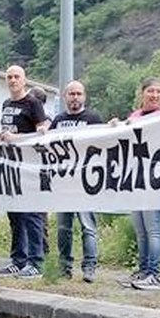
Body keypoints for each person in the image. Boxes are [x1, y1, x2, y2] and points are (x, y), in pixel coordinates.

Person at [0, 65, 49, 279]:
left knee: (32, 215)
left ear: (24, 80)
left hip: (29, 167)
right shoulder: (6, 104)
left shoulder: (33, 103)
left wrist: (16, 139)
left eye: (17, 77)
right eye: (9, 77)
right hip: (10, 166)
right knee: (14, 215)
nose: (13, 80)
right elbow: (9, 132)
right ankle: (18, 260)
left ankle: (36, 262)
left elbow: (41, 133)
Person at [115, 77, 160, 291]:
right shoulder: (134, 117)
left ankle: (154, 274)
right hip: (136, 177)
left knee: (153, 227)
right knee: (141, 228)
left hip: (155, 178)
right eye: (150, 91)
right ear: (142, 93)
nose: (154, 95)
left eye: (158, 91)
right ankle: (144, 270)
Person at [52, 80, 103, 282]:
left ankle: (89, 267)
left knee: (88, 227)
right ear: (65, 97)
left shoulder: (93, 118)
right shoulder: (58, 120)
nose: (75, 97)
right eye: (71, 94)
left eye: (78, 94)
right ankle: (64, 267)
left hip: (86, 182)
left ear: (84, 96)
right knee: (64, 228)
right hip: (64, 183)